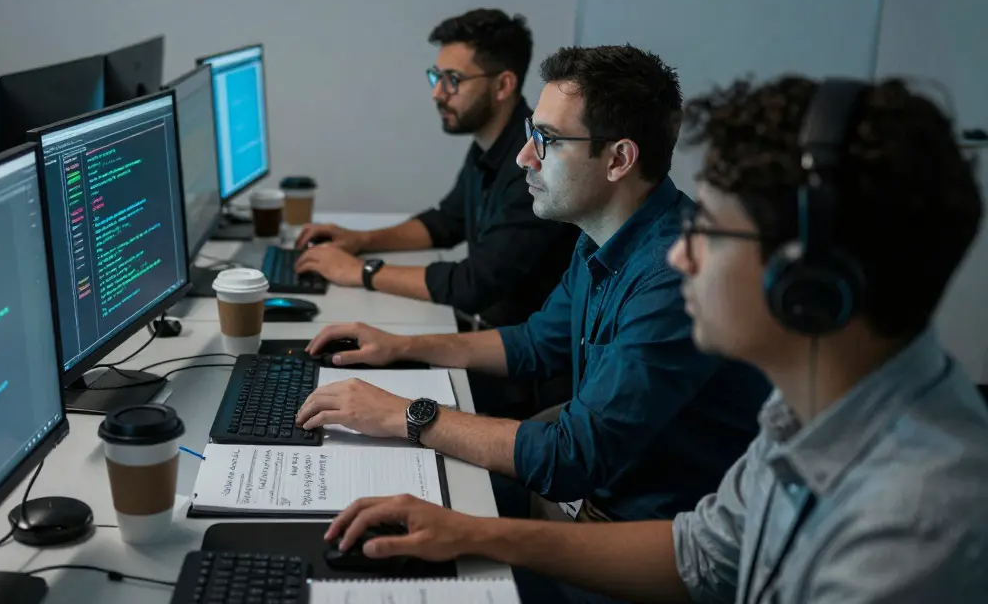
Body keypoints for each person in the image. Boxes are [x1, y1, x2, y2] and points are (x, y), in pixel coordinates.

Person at [321, 76, 988, 604]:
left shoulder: (912, 530)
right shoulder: (811, 407)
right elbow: (702, 552)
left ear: (810, 289)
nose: (681, 255)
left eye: (713, 233)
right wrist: (471, 533)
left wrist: (417, 424)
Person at [298, 45, 769, 525]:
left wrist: (407, 415)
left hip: (637, 534)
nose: (525, 156)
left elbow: (571, 458)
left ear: (618, 159)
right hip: (591, 496)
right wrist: (401, 346)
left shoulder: (672, 279)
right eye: (530, 133)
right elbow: (534, 343)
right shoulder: (601, 237)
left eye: (546, 138)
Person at [293, 9, 580, 330]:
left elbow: (472, 285)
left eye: (453, 80)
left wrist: (359, 271)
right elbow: (447, 221)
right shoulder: (490, 143)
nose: (437, 93)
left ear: (503, 85)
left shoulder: (532, 166)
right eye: (436, 76)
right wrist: (362, 239)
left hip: (522, 359)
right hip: (491, 336)